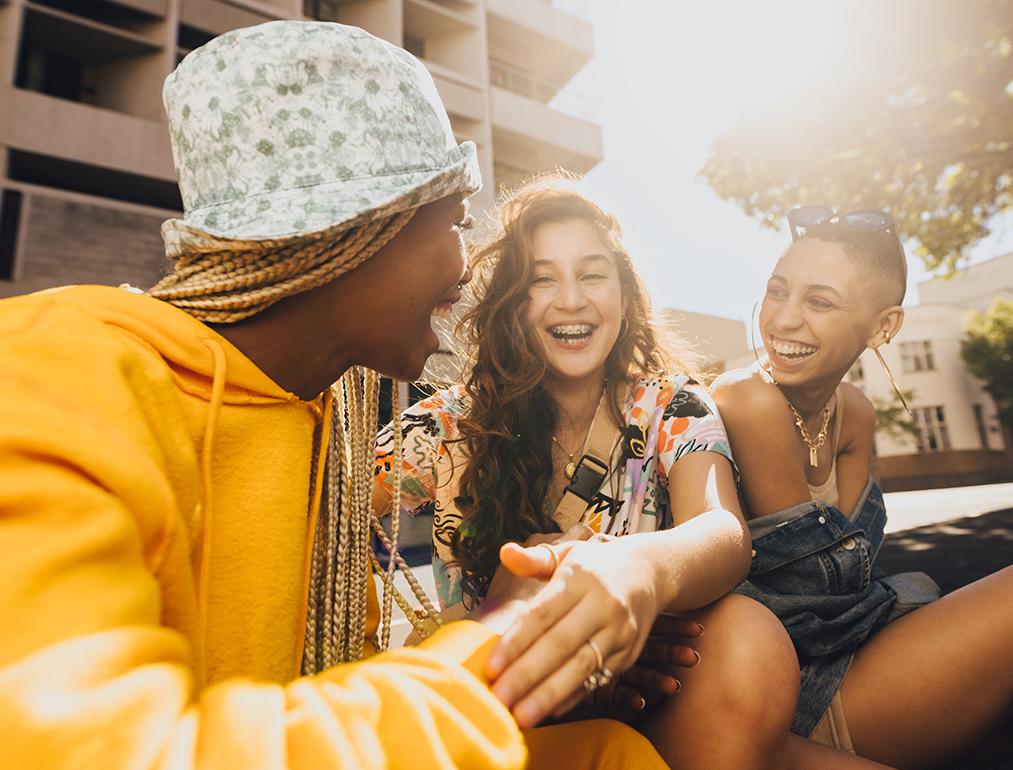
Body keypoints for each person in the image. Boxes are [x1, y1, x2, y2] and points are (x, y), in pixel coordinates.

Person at [0, 21, 670, 769]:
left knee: (612, 753)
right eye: (452, 221)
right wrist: (496, 647)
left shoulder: (327, 420)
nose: (461, 273)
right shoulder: (53, 373)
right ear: (353, 234)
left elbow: (339, 679)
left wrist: (539, 647)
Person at [372, 184, 896, 770]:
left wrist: (638, 569)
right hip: (499, 709)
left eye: (593, 275)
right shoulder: (446, 425)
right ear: (512, 301)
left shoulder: (674, 407)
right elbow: (330, 517)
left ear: (626, 295)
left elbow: (722, 531)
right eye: (542, 279)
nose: (570, 300)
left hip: (651, 704)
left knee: (747, 634)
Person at [710, 205, 1013, 768]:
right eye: (777, 291)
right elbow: (813, 605)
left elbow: (854, 591)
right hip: (795, 699)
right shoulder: (748, 399)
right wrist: (962, 655)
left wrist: (991, 683)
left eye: (819, 301)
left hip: (863, 659)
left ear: (884, 326)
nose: (782, 320)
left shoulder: (853, 415)